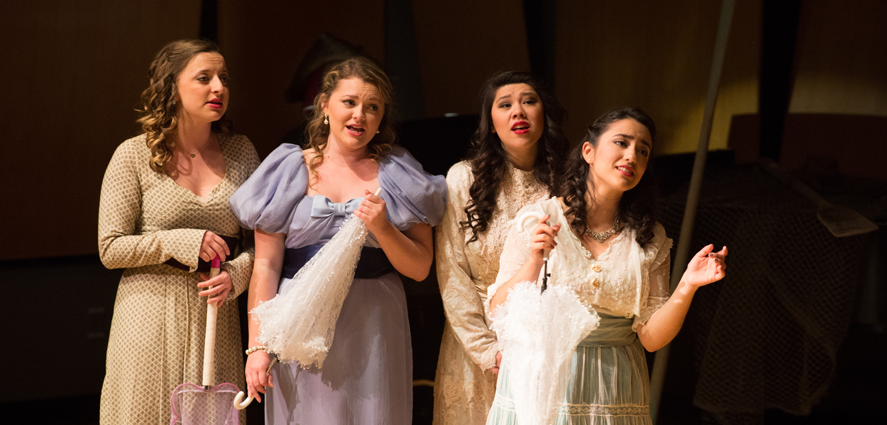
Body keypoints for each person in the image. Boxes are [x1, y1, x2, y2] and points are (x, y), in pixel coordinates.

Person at [230, 57, 447, 424]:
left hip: (374, 324)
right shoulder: (288, 170)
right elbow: (266, 266)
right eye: (350, 102)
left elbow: (420, 268)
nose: (359, 115)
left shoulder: (401, 176)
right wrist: (258, 347)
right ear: (325, 105)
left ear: (381, 119)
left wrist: (384, 229)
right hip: (300, 321)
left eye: (372, 107)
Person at [486, 107, 728, 424]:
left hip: (615, 384)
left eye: (643, 150)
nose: (632, 156)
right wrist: (534, 261)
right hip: (543, 378)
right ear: (589, 151)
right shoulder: (540, 218)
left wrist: (688, 285)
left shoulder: (649, 236)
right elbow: (497, 310)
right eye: (622, 143)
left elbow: (651, 338)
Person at [98, 39, 258, 424]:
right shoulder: (133, 155)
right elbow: (110, 248)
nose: (218, 87)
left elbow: (262, 243)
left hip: (216, 319)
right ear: (171, 87)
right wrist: (180, 240)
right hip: (149, 314)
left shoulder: (242, 153)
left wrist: (238, 274)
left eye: (223, 78)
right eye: (204, 78)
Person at [434, 70, 570, 424]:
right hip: (475, 342)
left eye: (528, 101)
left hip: (543, 341)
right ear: (491, 123)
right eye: (505, 105)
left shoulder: (568, 183)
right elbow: (452, 272)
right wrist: (487, 351)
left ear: (545, 114)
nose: (518, 112)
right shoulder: (463, 178)